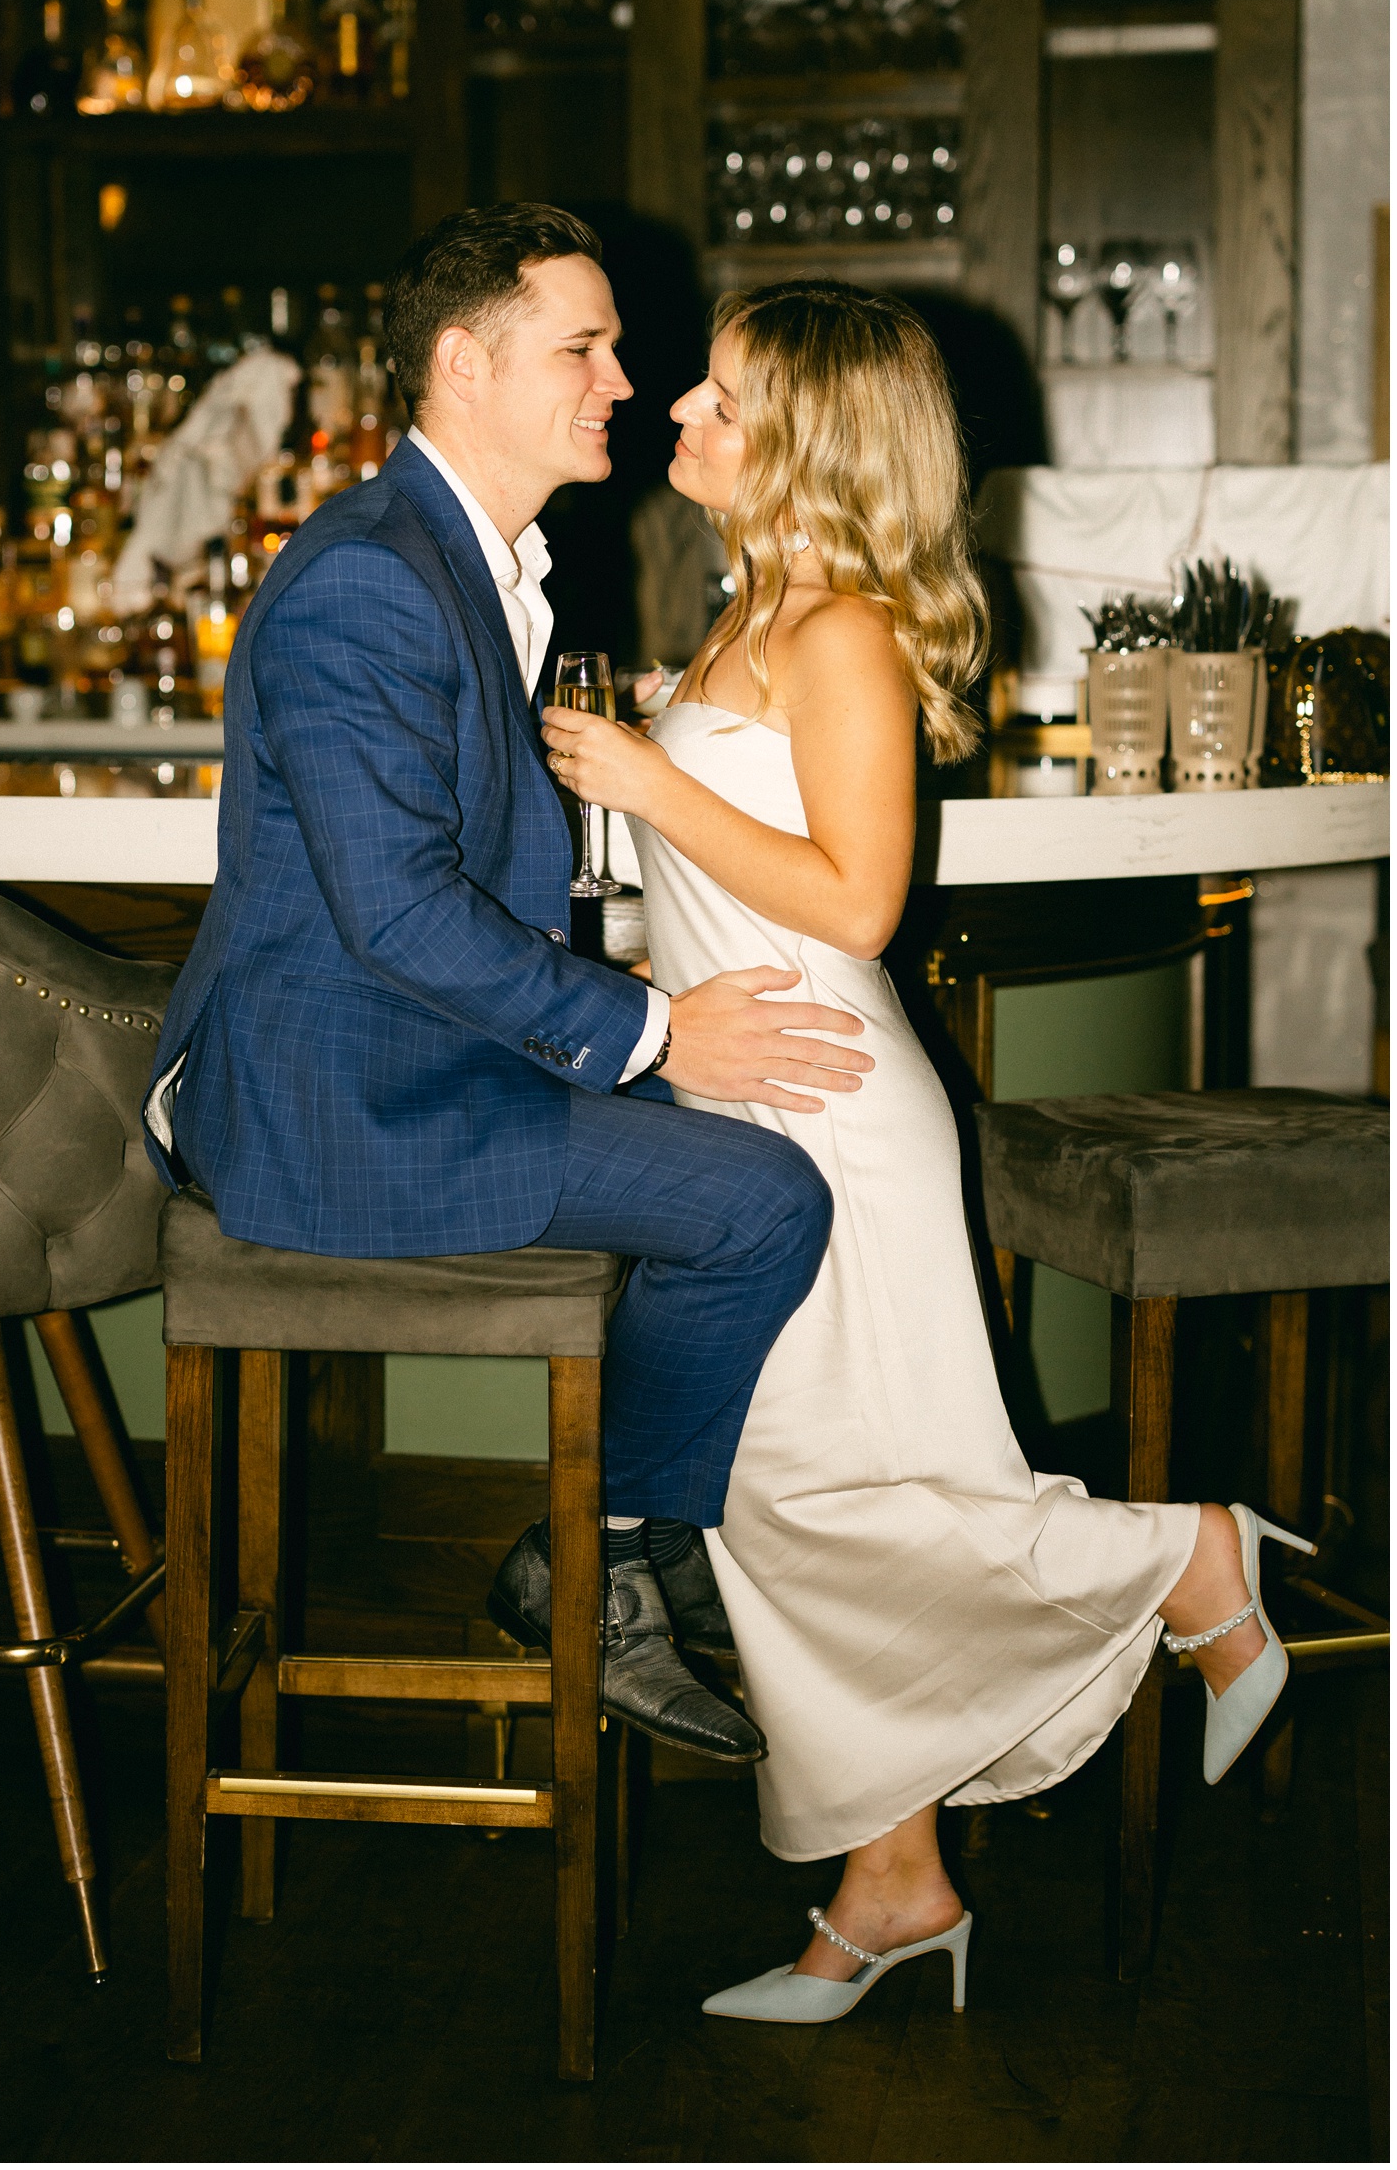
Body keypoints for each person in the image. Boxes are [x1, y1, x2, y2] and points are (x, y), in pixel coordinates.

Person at [541, 280, 1313, 2021]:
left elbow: (865, 902)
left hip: (828, 1116)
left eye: (718, 398)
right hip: (740, 1095)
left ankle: (1184, 1557)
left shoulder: (842, 633)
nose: (674, 411)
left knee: (802, 1496)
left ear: (803, 438)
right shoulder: (749, 616)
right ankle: (892, 1882)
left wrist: (654, 786)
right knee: (785, 1513)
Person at [142, 207, 878, 1763]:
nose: (624, 376)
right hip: (338, 1106)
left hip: (410, 1066)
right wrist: (664, 1030)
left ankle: (624, 1535)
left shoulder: (472, 560)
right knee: (764, 1205)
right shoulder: (372, 578)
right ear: (463, 364)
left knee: (764, 1175)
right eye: (586, 346)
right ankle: (603, 1559)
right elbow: (401, 913)